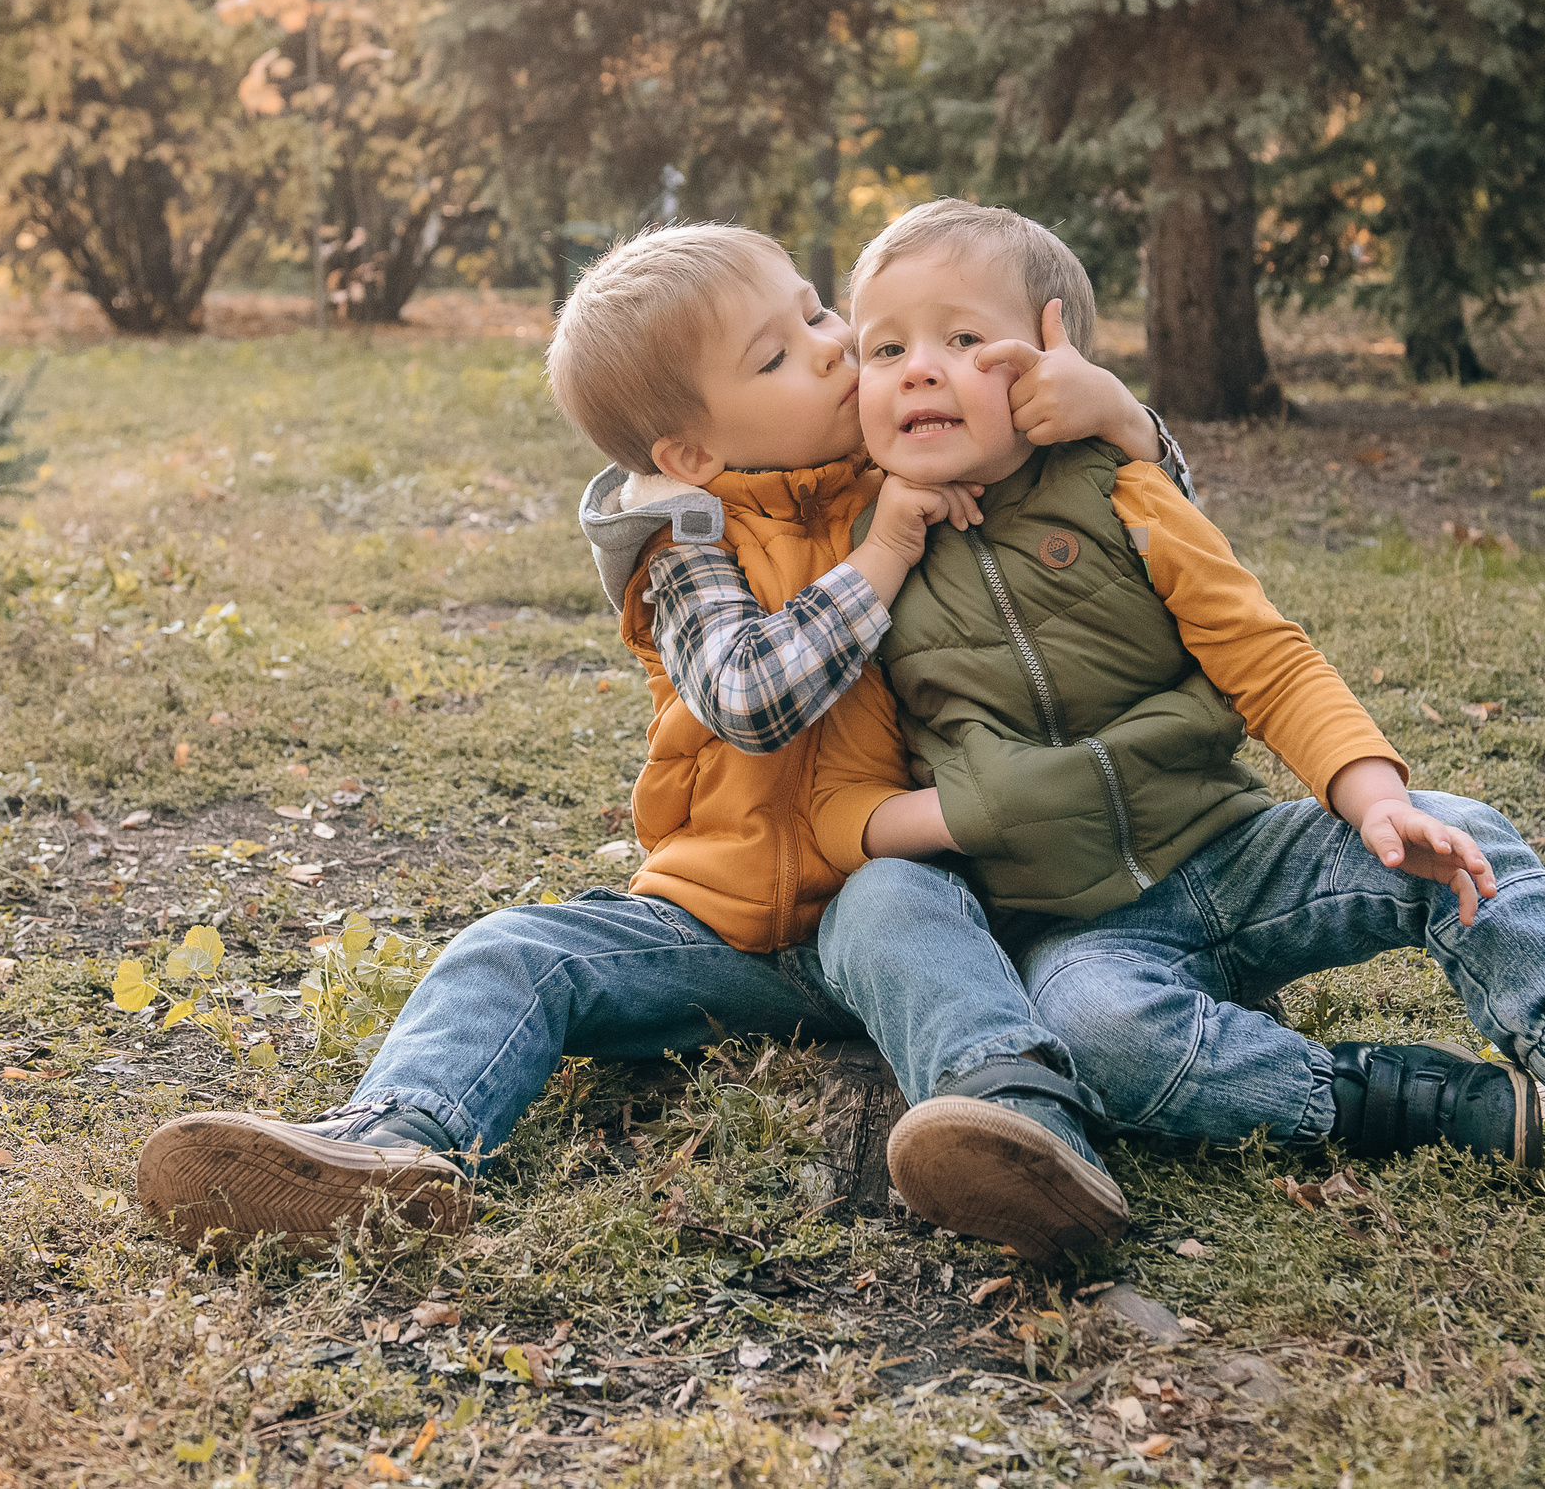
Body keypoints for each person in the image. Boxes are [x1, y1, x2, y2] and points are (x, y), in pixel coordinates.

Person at [135, 223, 1175, 1262]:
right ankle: (392, 1146)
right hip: (720, 930)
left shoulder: (921, 454)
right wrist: (889, 550)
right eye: (775, 355)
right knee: (511, 950)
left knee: (899, 904)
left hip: (904, 892)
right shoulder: (688, 545)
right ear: (690, 454)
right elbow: (750, 697)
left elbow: (1127, 534)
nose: (831, 345)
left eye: (817, 311)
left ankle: (1022, 1130)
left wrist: (1122, 418)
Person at [840, 199, 1545, 1213]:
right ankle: (1414, 1102)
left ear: (1056, 362)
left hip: (1230, 850)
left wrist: (1370, 798)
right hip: (1077, 932)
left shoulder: (1125, 496)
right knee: (1101, 1034)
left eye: (964, 339)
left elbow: (1266, 657)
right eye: (884, 348)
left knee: (1452, 831)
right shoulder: (860, 559)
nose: (918, 367)